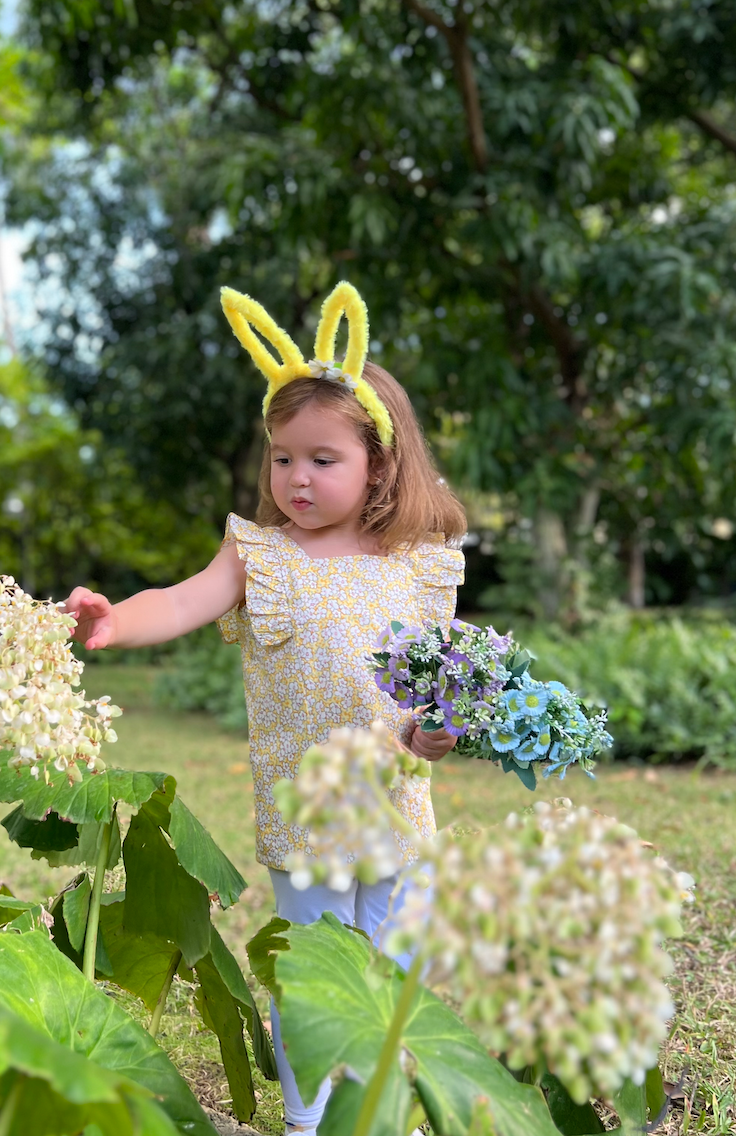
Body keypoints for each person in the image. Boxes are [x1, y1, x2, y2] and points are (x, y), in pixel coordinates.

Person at [65, 281, 466, 1136]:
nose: (297, 478)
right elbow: (181, 599)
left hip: (396, 802)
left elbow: (438, 693)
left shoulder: (421, 566)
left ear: (380, 463)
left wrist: (437, 734)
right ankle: (306, 1120)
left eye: (323, 459)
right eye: (283, 458)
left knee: (392, 974)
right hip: (307, 803)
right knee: (313, 976)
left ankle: (378, 1114)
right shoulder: (262, 554)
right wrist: (116, 622)